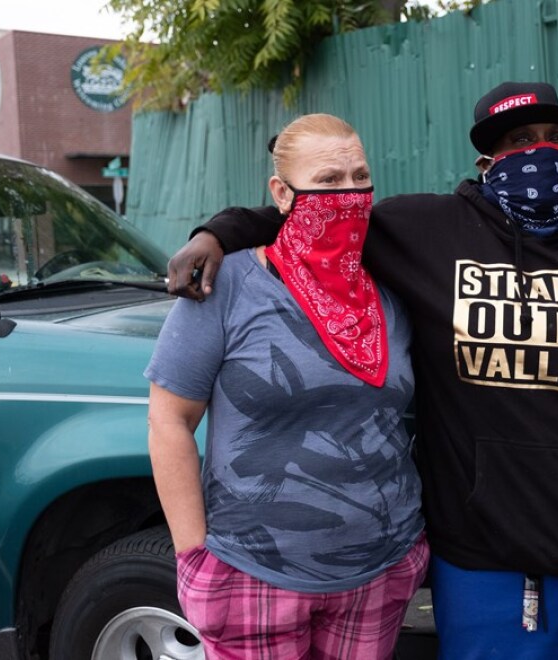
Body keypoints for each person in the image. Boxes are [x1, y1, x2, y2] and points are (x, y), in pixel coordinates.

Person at [168, 82, 558, 659]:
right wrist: (214, 234)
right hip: (487, 565)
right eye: (520, 140)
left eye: (555, 138)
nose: (541, 151)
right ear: (487, 161)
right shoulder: (427, 233)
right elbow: (312, 211)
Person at [145, 113, 428, 659]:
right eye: (327, 180)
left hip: (381, 570)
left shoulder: (390, 279)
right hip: (254, 577)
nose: (348, 193)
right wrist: (194, 557)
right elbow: (168, 420)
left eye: (359, 176)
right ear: (281, 191)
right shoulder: (225, 284)